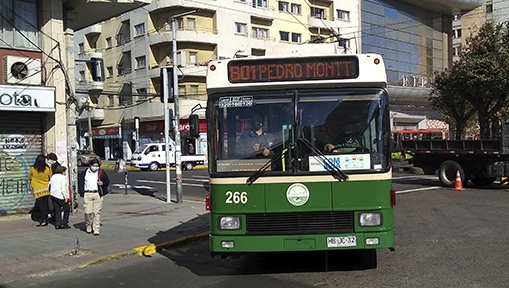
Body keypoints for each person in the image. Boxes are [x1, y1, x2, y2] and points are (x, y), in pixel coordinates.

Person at [77, 158, 110, 236]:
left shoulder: (101, 172)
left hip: (97, 194)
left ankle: (96, 229)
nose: (96, 167)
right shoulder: (85, 173)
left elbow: (107, 181)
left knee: (96, 212)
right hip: (87, 194)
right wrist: (82, 193)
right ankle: (88, 225)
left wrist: (102, 183)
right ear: (90, 165)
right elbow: (80, 183)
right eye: (94, 165)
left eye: (97, 166)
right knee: (87, 212)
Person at [28, 155, 52, 227]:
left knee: (41, 206)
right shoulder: (47, 168)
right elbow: (50, 176)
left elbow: (29, 177)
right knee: (45, 204)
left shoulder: (33, 168)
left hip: (37, 190)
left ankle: (44, 220)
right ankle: (46, 219)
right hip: (46, 189)